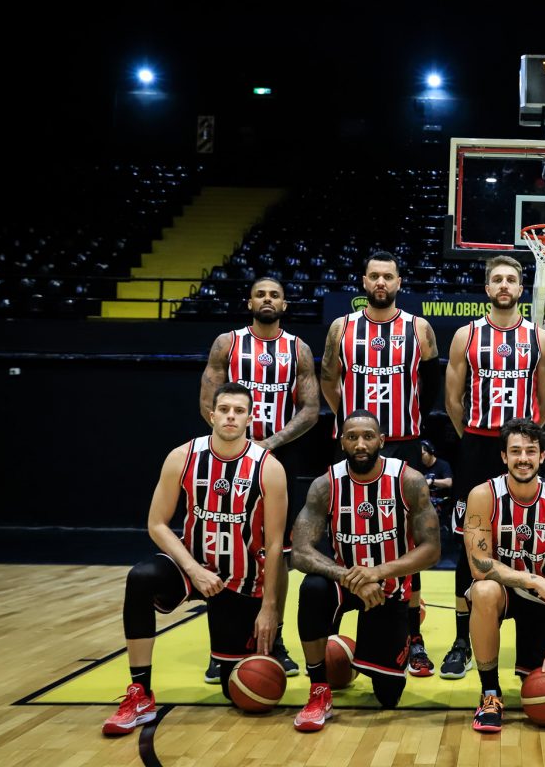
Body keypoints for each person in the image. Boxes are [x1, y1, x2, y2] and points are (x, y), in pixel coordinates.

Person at [102, 383, 287, 736]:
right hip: (191, 566)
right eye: (225, 409)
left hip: (242, 579)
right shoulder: (182, 457)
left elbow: (275, 544)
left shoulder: (269, 468)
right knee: (140, 578)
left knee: (240, 690)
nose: (231, 416)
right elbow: (156, 524)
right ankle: (140, 692)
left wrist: (270, 608)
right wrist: (193, 569)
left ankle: (234, 654)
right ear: (212, 415)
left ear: (250, 418)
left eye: (239, 411)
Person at [319, 250, 443, 677]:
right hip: (354, 445)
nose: (381, 283)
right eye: (374, 276)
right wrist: (347, 418)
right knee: (346, 529)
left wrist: (412, 422)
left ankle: (414, 635)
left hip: (403, 443)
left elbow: (429, 386)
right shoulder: (342, 327)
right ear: (363, 281)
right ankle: (338, 615)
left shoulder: (419, 328)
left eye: (388, 276)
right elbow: (328, 378)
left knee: (409, 539)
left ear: (399, 282)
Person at [288, 410, 441, 732]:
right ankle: (318, 689)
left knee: (388, 696)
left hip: (388, 588)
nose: (360, 444)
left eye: (368, 436)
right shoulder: (325, 485)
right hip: (345, 583)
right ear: (342, 442)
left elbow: (431, 550)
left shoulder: (409, 480)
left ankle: (399, 635)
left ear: (381, 441)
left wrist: (378, 572)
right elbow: (299, 551)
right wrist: (350, 578)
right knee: (312, 588)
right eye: (352, 437)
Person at [441, 255, 545, 679]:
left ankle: (530, 628)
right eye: (497, 279)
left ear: (521, 289)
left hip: (521, 448)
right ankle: (461, 640)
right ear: (487, 288)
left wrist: (521, 439)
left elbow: (544, 401)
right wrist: (475, 436)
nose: (504, 285)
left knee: (527, 536)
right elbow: (453, 400)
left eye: (511, 279)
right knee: (467, 543)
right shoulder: (466, 335)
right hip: (477, 444)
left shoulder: (539, 337)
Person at [199, 276, 319, 680]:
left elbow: (310, 409)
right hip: (230, 457)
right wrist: (237, 443)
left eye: (275, 295)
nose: (267, 300)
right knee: (226, 547)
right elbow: (208, 402)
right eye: (260, 294)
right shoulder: (227, 343)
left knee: (278, 552)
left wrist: (268, 444)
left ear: (284, 305)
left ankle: (276, 639)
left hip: (278, 457)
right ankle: (222, 645)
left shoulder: (298, 349)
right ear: (249, 302)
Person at [462, 418, 545, 732]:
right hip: (504, 591)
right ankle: (490, 693)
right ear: (504, 456)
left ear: (543, 456)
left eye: (530, 451)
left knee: (543, 689)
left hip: (543, 599)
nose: (523, 458)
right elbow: (479, 565)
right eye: (515, 451)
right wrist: (531, 579)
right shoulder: (483, 495)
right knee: (483, 590)